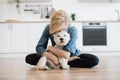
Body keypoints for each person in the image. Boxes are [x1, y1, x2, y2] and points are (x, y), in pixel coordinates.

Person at [25, 10, 99, 68]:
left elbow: (66, 55)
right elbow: (39, 47)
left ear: (67, 24)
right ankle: (60, 63)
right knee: (29, 58)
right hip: (54, 56)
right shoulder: (48, 28)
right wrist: (53, 57)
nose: (61, 31)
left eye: (63, 28)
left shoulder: (73, 30)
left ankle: (60, 63)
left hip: (70, 56)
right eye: (57, 29)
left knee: (93, 60)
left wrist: (50, 48)